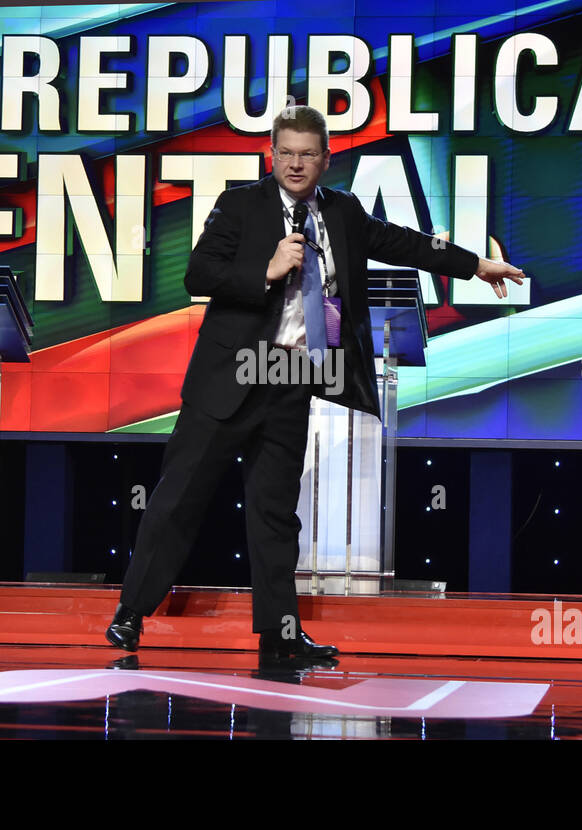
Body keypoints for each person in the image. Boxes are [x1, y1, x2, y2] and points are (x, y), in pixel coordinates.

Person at [106, 105, 524, 660]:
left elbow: (407, 243)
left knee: (276, 511)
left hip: (293, 376)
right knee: (179, 498)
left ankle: (281, 634)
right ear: (270, 155)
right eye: (286, 153)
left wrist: (476, 266)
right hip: (230, 375)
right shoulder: (239, 206)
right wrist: (266, 270)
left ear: (326, 159)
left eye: (307, 154)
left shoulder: (343, 212)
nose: (296, 164)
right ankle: (130, 615)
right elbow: (199, 274)